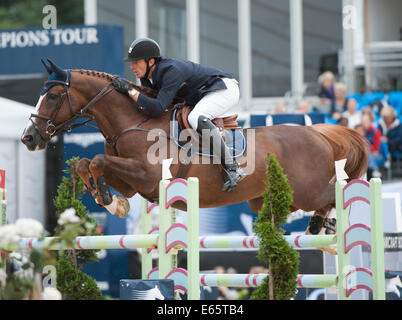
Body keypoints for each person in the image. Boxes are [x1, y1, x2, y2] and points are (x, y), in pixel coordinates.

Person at [112, 38, 245, 192]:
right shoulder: (147, 78)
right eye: (132, 62)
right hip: (204, 93)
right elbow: (149, 106)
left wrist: (130, 91)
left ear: (151, 61)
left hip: (223, 89)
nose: (132, 66)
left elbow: (157, 108)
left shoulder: (171, 71)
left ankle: (233, 167)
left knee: (195, 118)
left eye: (136, 62)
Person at [361, 113, 383, 178]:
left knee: (369, 156)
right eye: (363, 122)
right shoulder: (361, 132)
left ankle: (374, 171)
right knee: (368, 155)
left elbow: (376, 147)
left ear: (370, 121)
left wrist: (366, 149)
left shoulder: (376, 132)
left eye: (366, 122)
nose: (364, 124)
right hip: (367, 154)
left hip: (378, 155)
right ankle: (374, 173)